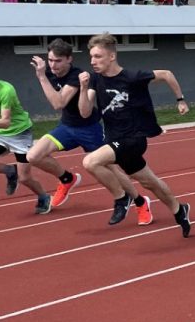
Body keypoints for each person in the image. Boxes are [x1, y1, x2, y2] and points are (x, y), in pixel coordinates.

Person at [78, 33, 192, 235]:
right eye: (91, 57)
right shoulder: (95, 80)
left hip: (134, 138)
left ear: (111, 56)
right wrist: (83, 88)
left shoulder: (132, 77)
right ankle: (179, 209)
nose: (93, 62)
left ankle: (122, 197)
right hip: (115, 139)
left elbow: (166, 74)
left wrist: (180, 100)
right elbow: (85, 112)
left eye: (98, 56)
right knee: (150, 182)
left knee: (91, 162)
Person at [25, 39, 151, 218]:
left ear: (69, 59)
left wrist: (41, 77)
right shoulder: (48, 72)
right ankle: (67, 178)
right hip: (67, 127)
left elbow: (58, 102)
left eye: (58, 61)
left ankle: (140, 201)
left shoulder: (78, 76)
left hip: (90, 129)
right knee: (33, 156)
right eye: (50, 60)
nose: (53, 65)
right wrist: (44, 74)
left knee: (112, 168)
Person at [0, 59, 54, 214]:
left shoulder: (5, 91)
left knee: (24, 178)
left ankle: (43, 196)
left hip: (19, 134)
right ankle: (9, 171)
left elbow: (6, 122)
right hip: (0, 135)